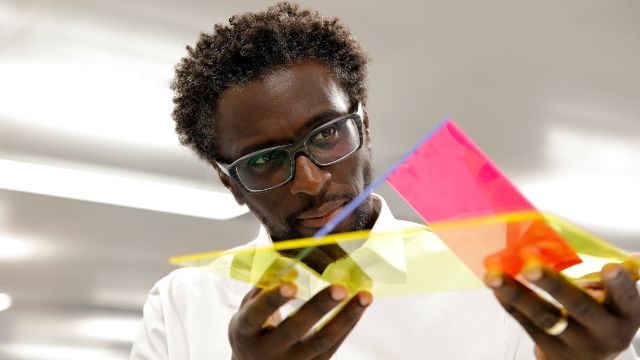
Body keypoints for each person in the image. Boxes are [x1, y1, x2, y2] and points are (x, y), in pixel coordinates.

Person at [130, 3, 640, 359]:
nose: (310, 180)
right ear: (229, 181)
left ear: (365, 126)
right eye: (264, 162)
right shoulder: (184, 302)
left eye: (327, 135)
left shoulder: (492, 273)